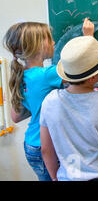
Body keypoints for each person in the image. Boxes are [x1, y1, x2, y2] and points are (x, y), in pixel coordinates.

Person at [39, 19, 98, 181]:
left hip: (68, 177)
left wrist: (54, 177)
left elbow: (46, 149)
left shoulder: (50, 101)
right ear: (96, 75)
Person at [3, 21, 65, 181]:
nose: (53, 42)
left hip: (32, 145)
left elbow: (16, 117)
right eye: (49, 39)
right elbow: (82, 66)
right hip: (48, 146)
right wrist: (88, 38)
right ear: (37, 46)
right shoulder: (47, 74)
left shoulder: (22, 75)